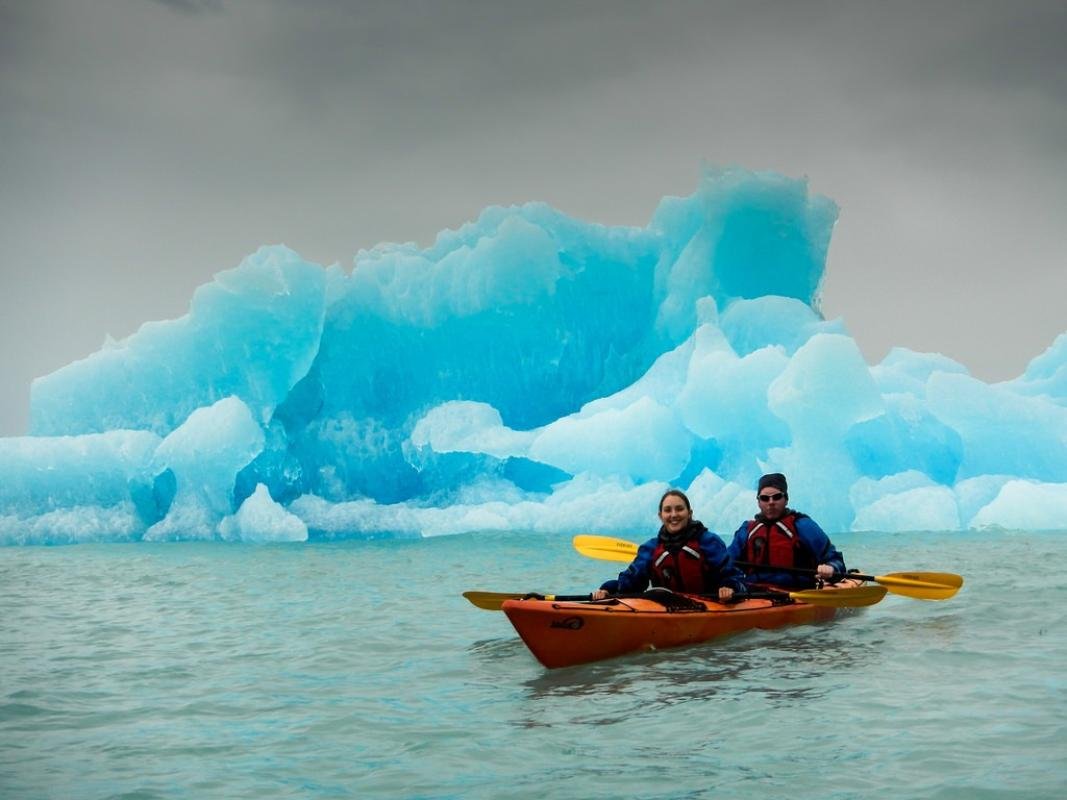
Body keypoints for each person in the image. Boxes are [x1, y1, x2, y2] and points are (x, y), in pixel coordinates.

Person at [592, 489, 746, 601]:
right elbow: (630, 584)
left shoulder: (708, 541)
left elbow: (733, 575)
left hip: (709, 605)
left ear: (689, 513)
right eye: (668, 510)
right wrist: (607, 589)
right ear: (661, 516)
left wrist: (729, 586)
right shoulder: (651, 548)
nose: (674, 515)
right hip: (667, 607)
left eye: (679, 509)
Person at [727, 473, 846, 590]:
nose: (771, 502)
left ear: (786, 499)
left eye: (777, 497)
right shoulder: (747, 530)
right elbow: (726, 565)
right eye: (765, 498)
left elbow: (835, 560)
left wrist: (831, 568)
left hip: (796, 591)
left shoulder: (803, 526)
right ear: (758, 502)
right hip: (754, 594)